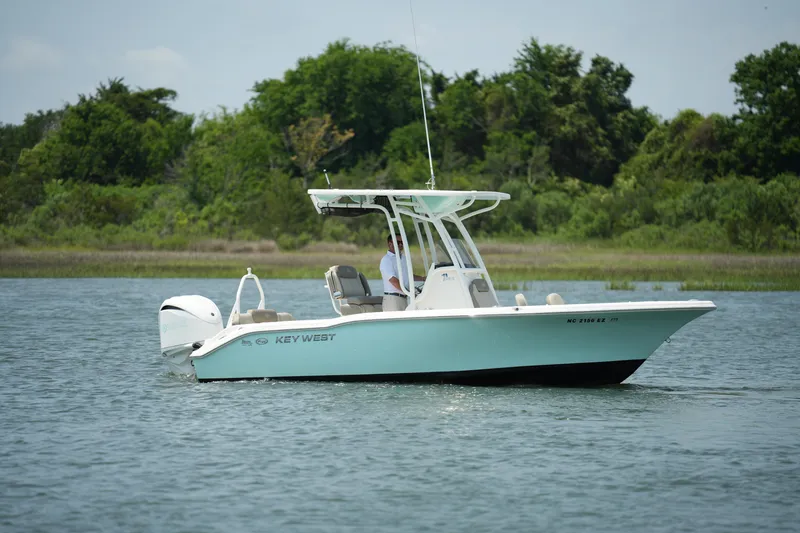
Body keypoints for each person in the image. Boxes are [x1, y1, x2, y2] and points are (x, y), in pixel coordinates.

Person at [379, 234, 425, 311]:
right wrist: (409, 292)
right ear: (390, 244)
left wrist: (423, 278)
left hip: (404, 298)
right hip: (393, 299)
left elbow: (408, 276)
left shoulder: (403, 258)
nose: (400, 244)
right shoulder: (386, 260)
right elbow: (393, 281)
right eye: (398, 242)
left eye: (402, 242)